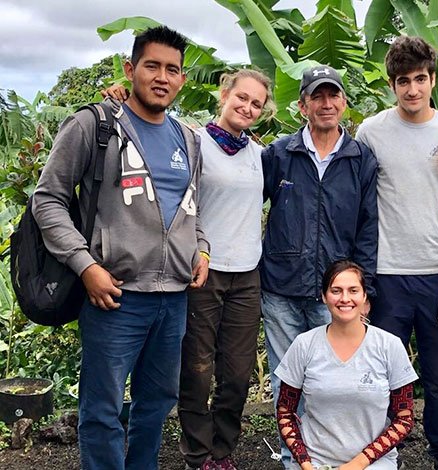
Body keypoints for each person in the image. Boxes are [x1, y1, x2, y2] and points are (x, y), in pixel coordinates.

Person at [32, 26, 209, 470]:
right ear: (131, 70)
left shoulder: (188, 138)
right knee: (103, 409)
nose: (162, 77)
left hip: (173, 300)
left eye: (173, 69)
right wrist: (84, 265)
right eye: (152, 65)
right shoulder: (94, 125)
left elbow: (191, 207)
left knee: (156, 405)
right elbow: (46, 199)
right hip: (115, 296)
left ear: (183, 79)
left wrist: (201, 248)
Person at [104, 69, 275, 470]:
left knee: (236, 373)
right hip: (200, 272)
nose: (247, 108)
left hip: (247, 274)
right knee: (197, 370)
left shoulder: (261, 153)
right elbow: (149, 125)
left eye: (256, 103)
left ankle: (223, 449)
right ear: (224, 94)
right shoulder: (192, 140)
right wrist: (118, 97)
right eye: (241, 98)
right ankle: (198, 455)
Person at [261, 65, 379, 467]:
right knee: (286, 380)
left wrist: (364, 291)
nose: (326, 104)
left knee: (330, 379)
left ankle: (331, 455)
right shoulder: (279, 154)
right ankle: (296, 459)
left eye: (333, 96)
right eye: (317, 96)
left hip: (335, 292)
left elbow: (368, 226)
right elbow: (242, 197)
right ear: (303, 105)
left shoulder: (360, 158)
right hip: (280, 286)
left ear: (344, 103)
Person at [356, 36, 438, 469]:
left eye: (421, 79)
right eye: (404, 81)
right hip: (388, 272)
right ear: (392, 84)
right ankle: (380, 452)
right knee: (381, 374)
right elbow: (359, 198)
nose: (413, 89)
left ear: (432, 79)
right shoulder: (372, 131)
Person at [275, 260, 417, 470]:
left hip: (372, 463)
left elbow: (404, 419)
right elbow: (285, 411)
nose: (345, 298)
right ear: (324, 296)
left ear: (364, 296)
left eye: (353, 290)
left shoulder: (389, 346)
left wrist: (357, 464)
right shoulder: (304, 345)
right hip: (314, 463)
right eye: (336, 291)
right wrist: (305, 462)